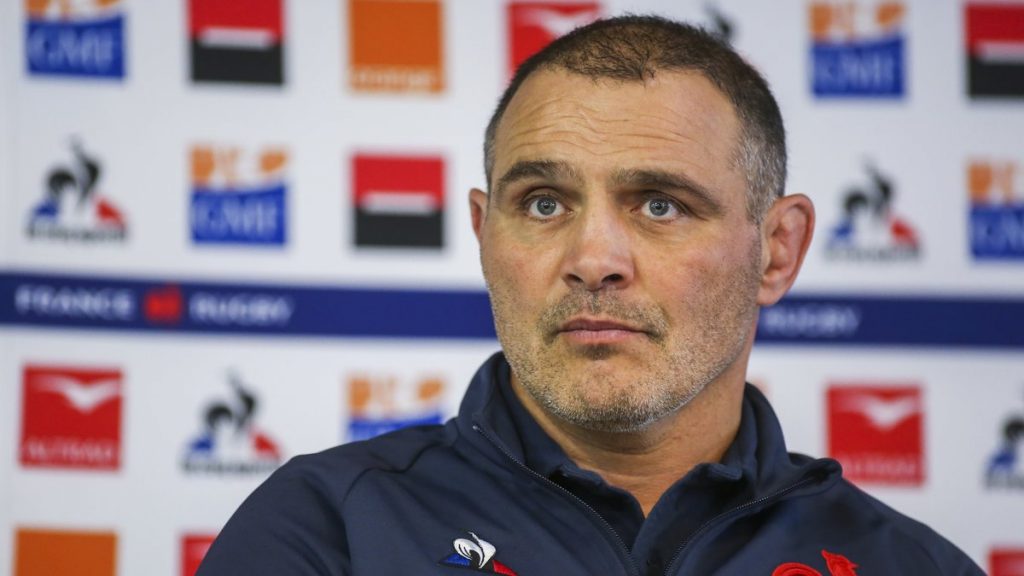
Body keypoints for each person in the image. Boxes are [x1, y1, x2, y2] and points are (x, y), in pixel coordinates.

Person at [197, 16, 983, 575]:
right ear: (484, 235)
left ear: (777, 251)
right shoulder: (327, 527)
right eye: (544, 203)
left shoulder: (909, 564)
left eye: (660, 205)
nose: (593, 259)